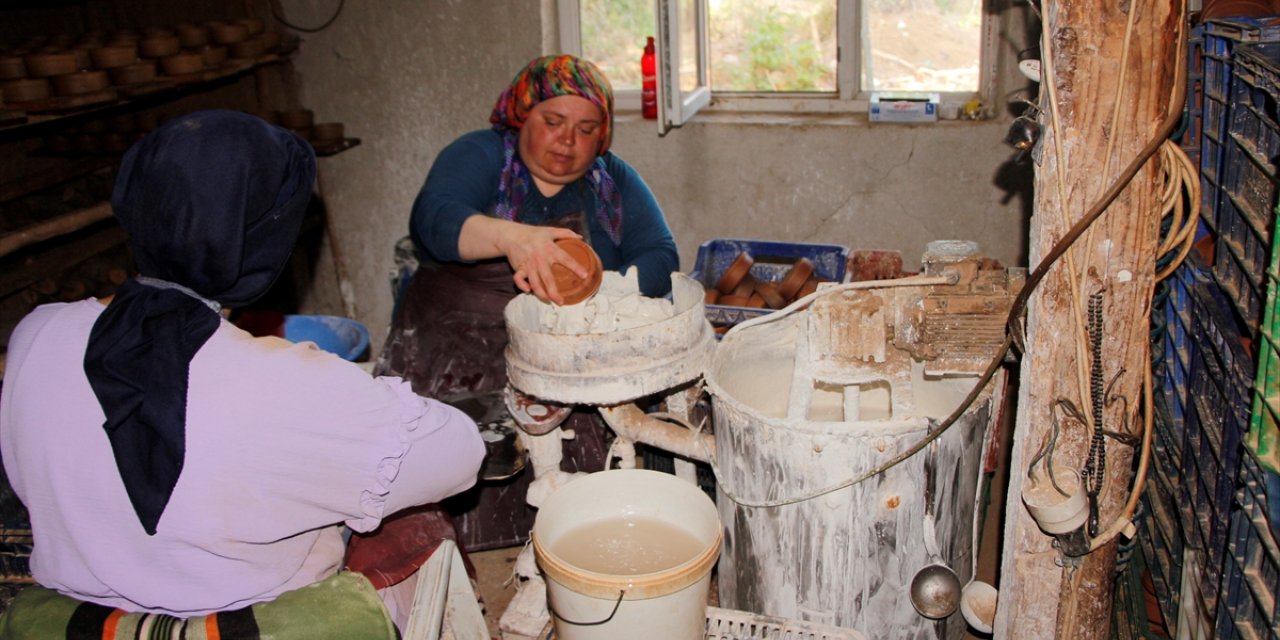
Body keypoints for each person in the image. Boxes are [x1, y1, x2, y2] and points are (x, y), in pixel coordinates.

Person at [0, 110, 486, 630]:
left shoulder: (37, 335)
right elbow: (460, 454)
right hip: (254, 622)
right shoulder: (290, 385)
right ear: (266, 242)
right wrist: (367, 398)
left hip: (79, 620)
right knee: (416, 527)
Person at [374, 54, 678, 552]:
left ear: (602, 135)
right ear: (521, 117)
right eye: (553, 122)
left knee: (573, 503)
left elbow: (660, 254)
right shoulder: (480, 155)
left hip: (557, 354)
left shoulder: (612, 182)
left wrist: (602, 295)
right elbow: (434, 218)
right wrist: (512, 238)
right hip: (454, 347)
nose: (567, 141)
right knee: (444, 484)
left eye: (586, 129)